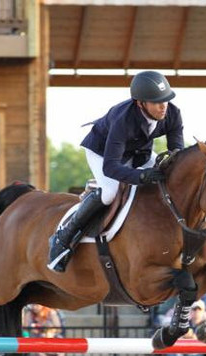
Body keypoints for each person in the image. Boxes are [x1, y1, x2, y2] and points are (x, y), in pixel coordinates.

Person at [48, 70, 184, 273]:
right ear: (140, 103)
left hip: (139, 154)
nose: (163, 106)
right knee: (110, 192)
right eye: (157, 102)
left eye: (165, 99)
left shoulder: (172, 113)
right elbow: (110, 167)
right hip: (102, 154)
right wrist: (140, 176)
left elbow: (177, 155)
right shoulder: (123, 120)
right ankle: (64, 236)